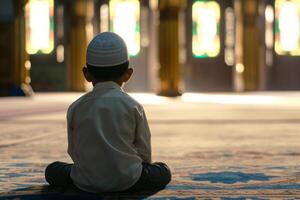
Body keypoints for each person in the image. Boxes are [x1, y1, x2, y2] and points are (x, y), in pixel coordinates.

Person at [45, 32, 171, 193]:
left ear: (86, 73)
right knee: (163, 170)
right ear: (128, 74)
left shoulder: (76, 107)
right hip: (129, 180)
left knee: (52, 170)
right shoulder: (134, 106)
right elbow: (145, 153)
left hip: (85, 181)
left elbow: (73, 151)